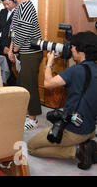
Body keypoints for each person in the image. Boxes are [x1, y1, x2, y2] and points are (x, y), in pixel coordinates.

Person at [27, 31, 97, 170]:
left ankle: (78, 151)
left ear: (80, 50)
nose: (70, 49)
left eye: (73, 46)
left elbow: (48, 83)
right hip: (90, 129)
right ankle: (85, 144)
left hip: (74, 131)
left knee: (31, 147)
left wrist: (49, 62)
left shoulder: (75, 71)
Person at [7, 0, 42, 131]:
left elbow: (24, 33)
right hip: (23, 51)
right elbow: (15, 31)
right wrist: (11, 47)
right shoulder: (20, 7)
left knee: (29, 85)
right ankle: (27, 115)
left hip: (31, 53)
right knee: (23, 84)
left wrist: (14, 50)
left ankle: (33, 119)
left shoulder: (26, 6)